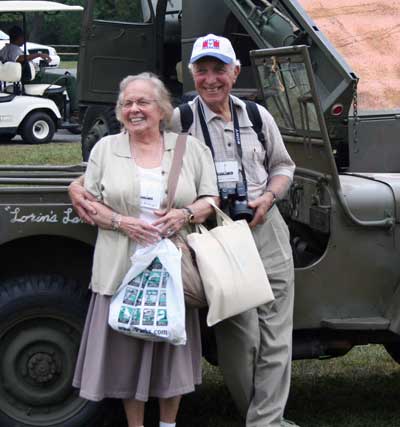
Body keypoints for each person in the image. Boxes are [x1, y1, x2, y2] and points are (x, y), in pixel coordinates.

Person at [69, 35, 298, 427]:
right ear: (192, 75)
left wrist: (270, 196)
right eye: (202, 70)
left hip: (264, 225)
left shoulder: (258, 117)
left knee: (277, 333)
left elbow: (283, 166)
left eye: (219, 69)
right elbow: (138, 143)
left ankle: (267, 422)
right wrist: (77, 183)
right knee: (242, 335)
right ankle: (253, 410)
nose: (211, 79)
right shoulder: (179, 118)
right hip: (216, 233)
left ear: (235, 71)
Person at [71, 72, 219, 427]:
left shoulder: (190, 149)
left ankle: (168, 424)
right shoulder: (106, 149)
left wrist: (184, 214)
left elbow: (211, 200)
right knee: (124, 354)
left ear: (162, 108)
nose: (134, 110)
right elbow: (88, 201)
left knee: (172, 352)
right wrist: (123, 223)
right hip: (121, 265)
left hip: (173, 266)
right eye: (127, 103)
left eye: (142, 102)